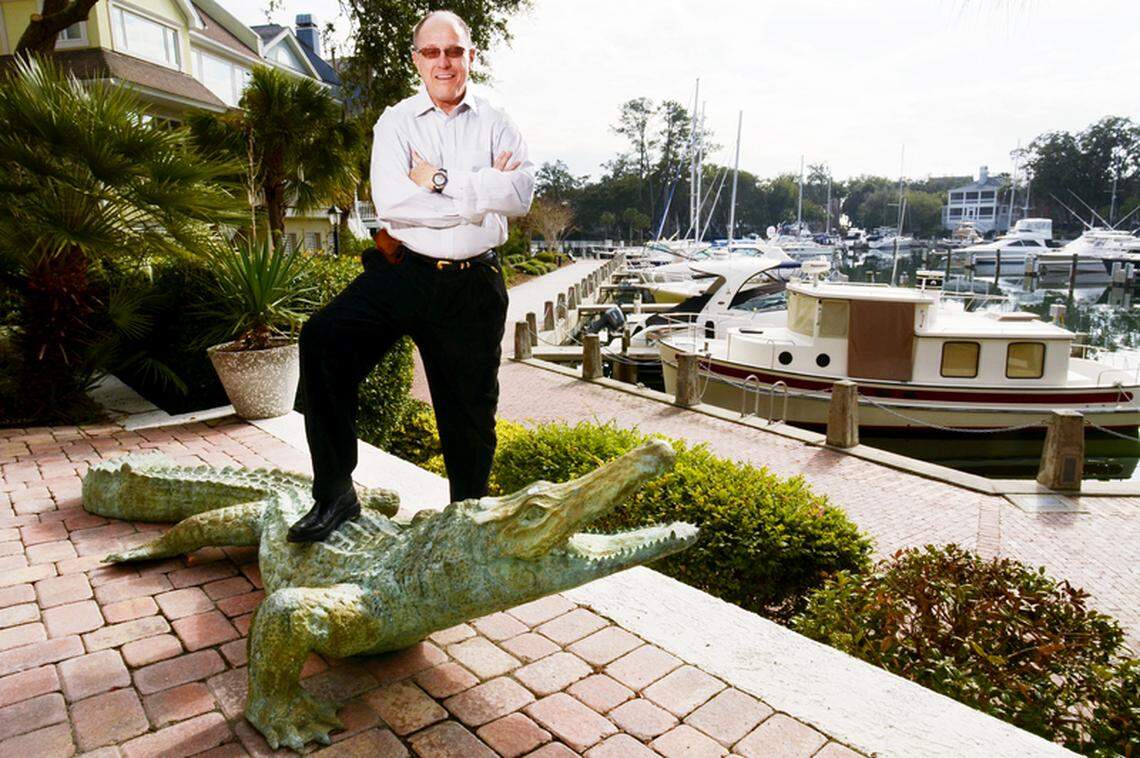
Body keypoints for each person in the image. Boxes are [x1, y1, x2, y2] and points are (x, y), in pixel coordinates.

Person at [289, 9, 535, 543]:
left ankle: (466, 520)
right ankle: (335, 494)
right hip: (404, 272)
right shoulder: (396, 121)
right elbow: (393, 203)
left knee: (469, 411)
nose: (444, 62)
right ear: (417, 60)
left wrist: (439, 181)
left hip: (473, 285)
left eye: (454, 51)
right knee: (324, 338)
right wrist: (475, 197)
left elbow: (520, 197)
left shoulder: (498, 120)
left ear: (470, 56)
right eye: (432, 52)